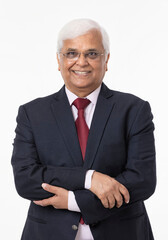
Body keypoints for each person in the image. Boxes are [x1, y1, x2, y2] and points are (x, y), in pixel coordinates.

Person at [11, 19, 156, 240]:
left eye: (92, 54)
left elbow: (142, 180)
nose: (81, 62)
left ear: (106, 60)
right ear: (59, 60)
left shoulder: (134, 110)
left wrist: (73, 201)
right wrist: (90, 178)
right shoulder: (32, 114)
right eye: (71, 53)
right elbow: (26, 179)